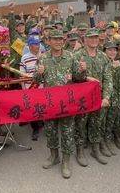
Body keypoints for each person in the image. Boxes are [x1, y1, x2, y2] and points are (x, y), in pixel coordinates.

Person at [34, 29, 86, 179]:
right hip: (50, 102)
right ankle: (54, 156)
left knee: (68, 131)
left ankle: (66, 161)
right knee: (50, 130)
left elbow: (78, 78)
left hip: (66, 103)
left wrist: (82, 71)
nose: (58, 42)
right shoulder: (43, 58)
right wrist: (39, 73)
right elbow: (35, 81)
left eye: (60, 39)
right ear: (48, 41)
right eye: (54, 39)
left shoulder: (70, 57)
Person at [73, 28, 113, 166]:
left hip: (98, 98)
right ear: (85, 40)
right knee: (81, 125)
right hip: (83, 99)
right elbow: (72, 78)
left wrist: (106, 97)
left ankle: (95, 150)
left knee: (97, 124)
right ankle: (79, 151)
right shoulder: (77, 56)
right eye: (91, 38)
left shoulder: (103, 57)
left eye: (96, 38)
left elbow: (108, 78)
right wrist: (85, 76)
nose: (94, 40)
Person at [20, 36, 43, 141]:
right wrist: (24, 89)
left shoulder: (44, 56)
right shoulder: (24, 58)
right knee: (34, 108)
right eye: (35, 44)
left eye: (38, 44)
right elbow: (22, 75)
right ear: (29, 46)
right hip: (30, 87)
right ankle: (35, 128)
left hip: (43, 87)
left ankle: (41, 121)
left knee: (42, 106)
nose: (37, 46)